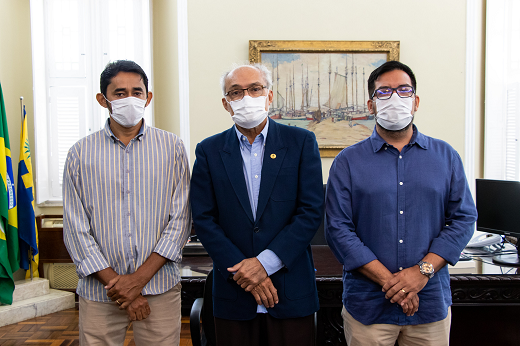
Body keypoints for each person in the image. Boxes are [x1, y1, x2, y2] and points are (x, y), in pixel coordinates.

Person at [325, 61, 477, 346]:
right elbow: (338, 229)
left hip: (429, 304)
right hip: (368, 307)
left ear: (415, 101)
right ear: (371, 105)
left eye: (403, 90)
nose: (395, 98)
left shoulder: (446, 156)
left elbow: (463, 219)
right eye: (384, 92)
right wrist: (394, 283)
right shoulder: (347, 161)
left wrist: (421, 274)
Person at [191, 63, 323, 346]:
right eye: (236, 92)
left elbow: (310, 211)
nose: (246, 97)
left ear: (270, 95)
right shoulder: (209, 150)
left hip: (289, 287)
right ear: (226, 104)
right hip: (233, 290)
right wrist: (244, 271)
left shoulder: (301, 142)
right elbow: (203, 218)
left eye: (255, 89)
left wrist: (264, 264)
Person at [63, 60, 190, 345]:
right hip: (100, 292)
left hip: (159, 288)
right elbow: (75, 228)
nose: (129, 99)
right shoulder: (80, 154)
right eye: (120, 93)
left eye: (137, 91)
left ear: (148, 97)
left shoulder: (172, 148)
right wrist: (120, 286)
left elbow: (180, 220)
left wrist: (138, 281)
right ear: (103, 99)